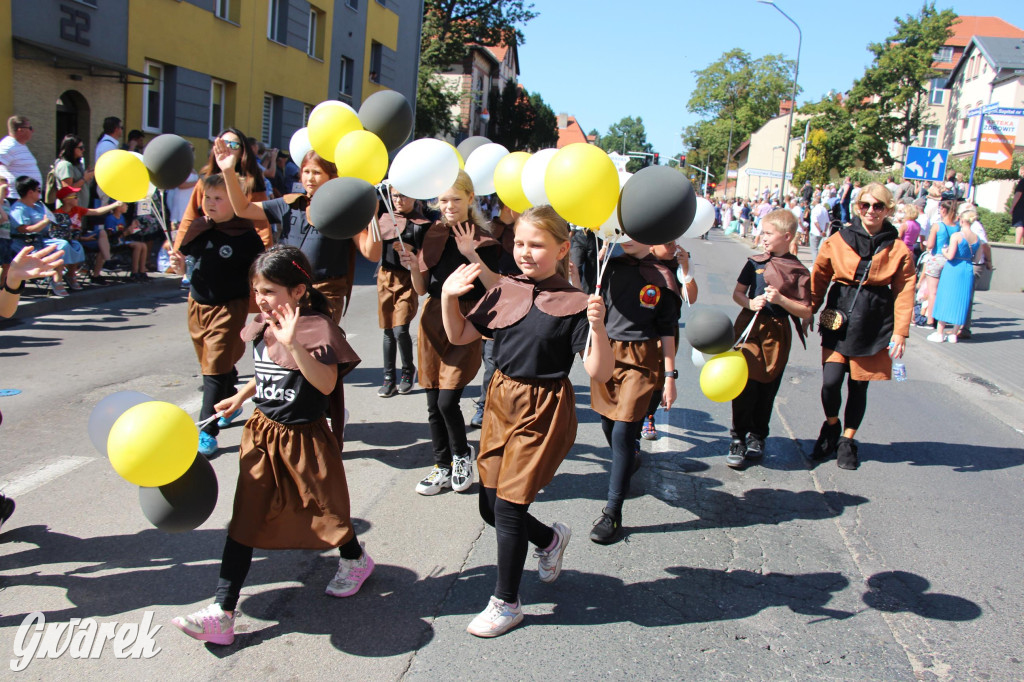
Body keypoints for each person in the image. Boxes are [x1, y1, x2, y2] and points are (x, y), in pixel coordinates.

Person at [171, 245, 370, 646]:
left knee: (325, 511)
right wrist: (242, 396)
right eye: (257, 290)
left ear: (298, 291)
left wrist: (295, 342)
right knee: (245, 517)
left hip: (304, 439)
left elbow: (326, 384)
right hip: (263, 434)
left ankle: (355, 558)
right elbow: (268, 366)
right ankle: (222, 612)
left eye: (270, 291)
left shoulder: (317, 329)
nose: (261, 299)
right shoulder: (265, 322)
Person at [440, 206, 613, 637]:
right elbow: (460, 335)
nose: (525, 252)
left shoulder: (575, 303)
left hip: (543, 409)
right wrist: (447, 297)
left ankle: (507, 602)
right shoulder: (505, 288)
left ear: (561, 248)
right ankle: (550, 540)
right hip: (500, 401)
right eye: (519, 242)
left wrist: (599, 327)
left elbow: (600, 371)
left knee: (510, 507)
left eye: (536, 244)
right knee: (489, 506)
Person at [397, 170, 501, 496]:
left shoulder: (486, 238)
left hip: (467, 319)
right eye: (443, 200)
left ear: (471, 198)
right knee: (432, 399)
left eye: (456, 198)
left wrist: (471, 252)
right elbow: (422, 288)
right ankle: (441, 464)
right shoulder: (431, 234)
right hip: (432, 318)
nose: (449, 205)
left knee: (447, 398)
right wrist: (413, 266)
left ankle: (461, 456)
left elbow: (498, 288)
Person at [809, 183, 916, 470]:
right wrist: (810, 308)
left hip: (874, 320)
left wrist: (900, 332)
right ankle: (831, 426)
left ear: (888, 209)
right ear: (857, 207)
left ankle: (847, 440)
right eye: (865, 205)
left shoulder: (898, 248)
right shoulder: (838, 240)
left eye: (878, 206)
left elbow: (905, 291)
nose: (870, 211)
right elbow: (819, 275)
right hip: (839, 314)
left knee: (858, 386)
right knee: (831, 382)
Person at [213, 142, 380, 324]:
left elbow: (372, 253)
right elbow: (243, 209)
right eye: (306, 171)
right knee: (284, 347)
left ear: (332, 177)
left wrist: (373, 216)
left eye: (317, 173)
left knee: (314, 349)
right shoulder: (289, 204)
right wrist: (228, 171)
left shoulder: (342, 211)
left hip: (324, 293)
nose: (310, 178)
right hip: (286, 289)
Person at [589, 235, 682, 544]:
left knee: (622, 433)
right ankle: (631, 457)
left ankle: (612, 514)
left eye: (636, 233)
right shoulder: (610, 265)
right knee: (607, 423)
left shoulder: (662, 277)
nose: (626, 238)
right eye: (623, 231)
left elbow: (667, 330)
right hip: (608, 353)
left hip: (643, 359)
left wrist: (669, 376)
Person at [170, 173, 265, 456]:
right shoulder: (200, 227)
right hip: (197, 305)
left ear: (236, 202)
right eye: (207, 198)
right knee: (212, 363)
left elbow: (260, 271)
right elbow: (184, 266)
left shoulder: (247, 236)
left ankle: (206, 431)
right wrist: (177, 265)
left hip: (228, 307)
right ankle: (230, 397)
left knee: (211, 371)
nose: (210, 204)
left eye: (219, 199)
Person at [726, 210, 812, 468]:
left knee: (767, 386)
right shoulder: (754, 263)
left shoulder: (799, 270)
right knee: (743, 383)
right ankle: (738, 437)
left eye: (768, 233)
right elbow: (738, 293)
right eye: (762, 232)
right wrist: (751, 302)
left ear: (787, 236)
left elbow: (806, 309)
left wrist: (781, 300)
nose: (762, 237)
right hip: (750, 328)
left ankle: (757, 435)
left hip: (777, 332)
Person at [174, 128, 274, 251]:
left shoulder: (252, 184)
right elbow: (189, 219)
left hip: (240, 251)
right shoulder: (205, 181)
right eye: (223, 143)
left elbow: (262, 227)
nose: (227, 148)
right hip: (206, 249)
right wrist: (178, 251)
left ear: (242, 151)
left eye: (233, 145)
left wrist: (262, 260)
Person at [470, 199, 521, 427]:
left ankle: (508, 407)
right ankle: (484, 405)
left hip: (525, 302)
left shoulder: (530, 230)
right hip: (496, 302)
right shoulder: (491, 231)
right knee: (490, 359)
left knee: (515, 359)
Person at [640, 241, 697, 441]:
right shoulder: (639, 265)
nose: (674, 247)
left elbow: (690, 298)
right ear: (651, 246)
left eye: (675, 242)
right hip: (639, 330)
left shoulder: (676, 267)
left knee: (658, 377)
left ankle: (648, 416)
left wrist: (686, 269)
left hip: (667, 330)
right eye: (668, 243)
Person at [375, 188, 429, 396]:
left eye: (403, 195)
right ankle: (389, 377)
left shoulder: (421, 224)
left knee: (400, 329)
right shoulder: (384, 216)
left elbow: (426, 256)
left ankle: (407, 371)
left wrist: (411, 249)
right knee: (388, 330)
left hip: (407, 280)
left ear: (414, 196)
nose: (398, 200)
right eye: (395, 196)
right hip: (385, 278)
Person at [7, 176, 70, 296]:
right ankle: (57, 279)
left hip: (42, 239)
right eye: (38, 190)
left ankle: (69, 276)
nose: (40, 193)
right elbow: (24, 229)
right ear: (30, 192)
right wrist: (45, 222)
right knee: (61, 246)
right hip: (26, 243)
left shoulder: (38, 206)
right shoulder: (18, 209)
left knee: (70, 244)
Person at [51, 186, 121, 289]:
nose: (77, 198)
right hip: (69, 241)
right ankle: (70, 275)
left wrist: (115, 204)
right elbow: (62, 235)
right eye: (74, 196)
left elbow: (96, 211)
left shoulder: (77, 209)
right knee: (76, 245)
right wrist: (83, 239)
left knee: (102, 236)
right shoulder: (58, 214)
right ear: (65, 200)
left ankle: (106, 263)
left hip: (80, 237)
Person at [928, 210, 980, 344]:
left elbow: (950, 255)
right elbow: (977, 258)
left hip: (953, 267)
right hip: (967, 268)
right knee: (961, 299)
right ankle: (954, 334)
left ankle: (940, 332)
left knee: (945, 297)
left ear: (962, 220)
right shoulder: (977, 238)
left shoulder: (957, 235)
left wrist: (944, 251)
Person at [919, 199, 959, 327]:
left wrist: (926, 245)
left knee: (933, 292)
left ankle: (931, 319)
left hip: (937, 258)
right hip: (951, 261)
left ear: (943, 210)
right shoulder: (957, 227)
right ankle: (943, 317)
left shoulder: (938, 226)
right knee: (945, 291)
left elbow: (930, 244)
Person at [91, 201, 148, 281]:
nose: (127, 206)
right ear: (118, 207)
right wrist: (127, 232)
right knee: (137, 246)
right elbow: (111, 235)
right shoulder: (110, 218)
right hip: (113, 243)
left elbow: (124, 231)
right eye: (125, 204)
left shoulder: (122, 217)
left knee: (143, 245)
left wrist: (133, 228)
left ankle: (142, 271)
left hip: (121, 240)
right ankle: (134, 272)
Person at [0, 117, 42, 200]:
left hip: (27, 199)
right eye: (30, 128)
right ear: (20, 130)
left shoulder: (19, 145)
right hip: (16, 198)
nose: (32, 131)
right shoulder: (9, 145)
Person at [52, 135, 94, 210]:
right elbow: (67, 191)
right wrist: (84, 178)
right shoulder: (65, 165)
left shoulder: (76, 164)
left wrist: (88, 175)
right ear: (71, 149)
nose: (83, 150)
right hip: (69, 212)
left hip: (78, 211)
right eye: (80, 148)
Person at [1012, 164, 1024, 246]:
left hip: (1021, 206)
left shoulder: (1022, 182)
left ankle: (1017, 243)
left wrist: (1012, 207)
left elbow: (1018, 194)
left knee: (1020, 224)